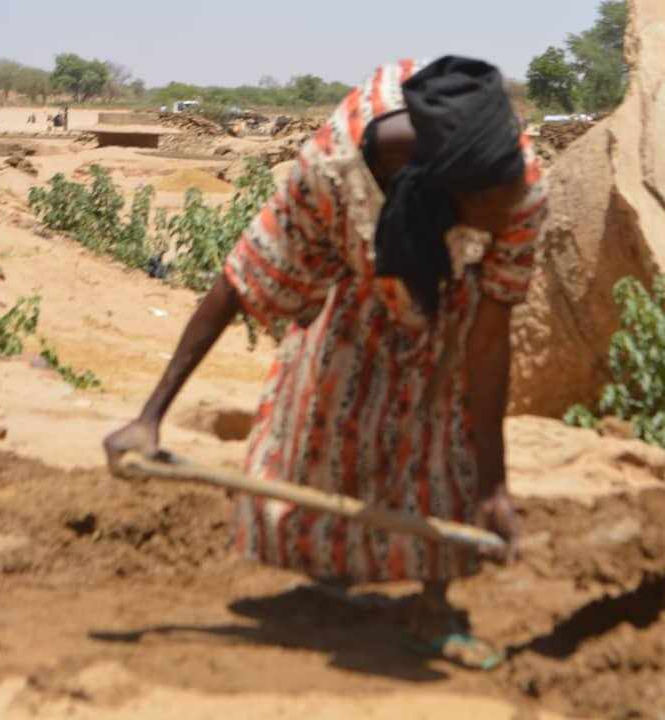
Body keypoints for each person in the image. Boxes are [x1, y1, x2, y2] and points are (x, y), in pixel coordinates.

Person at [103, 56, 547, 669]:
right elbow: (244, 273)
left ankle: (434, 603)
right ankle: (332, 580)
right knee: (334, 414)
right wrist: (149, 416)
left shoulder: (516, 182)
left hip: (451, 300)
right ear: (447, 187)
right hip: (358, 282)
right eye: (489, 210)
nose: (506, 217)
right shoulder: (333, 168)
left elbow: (490, 339)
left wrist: (495, 484)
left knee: (442, 431)